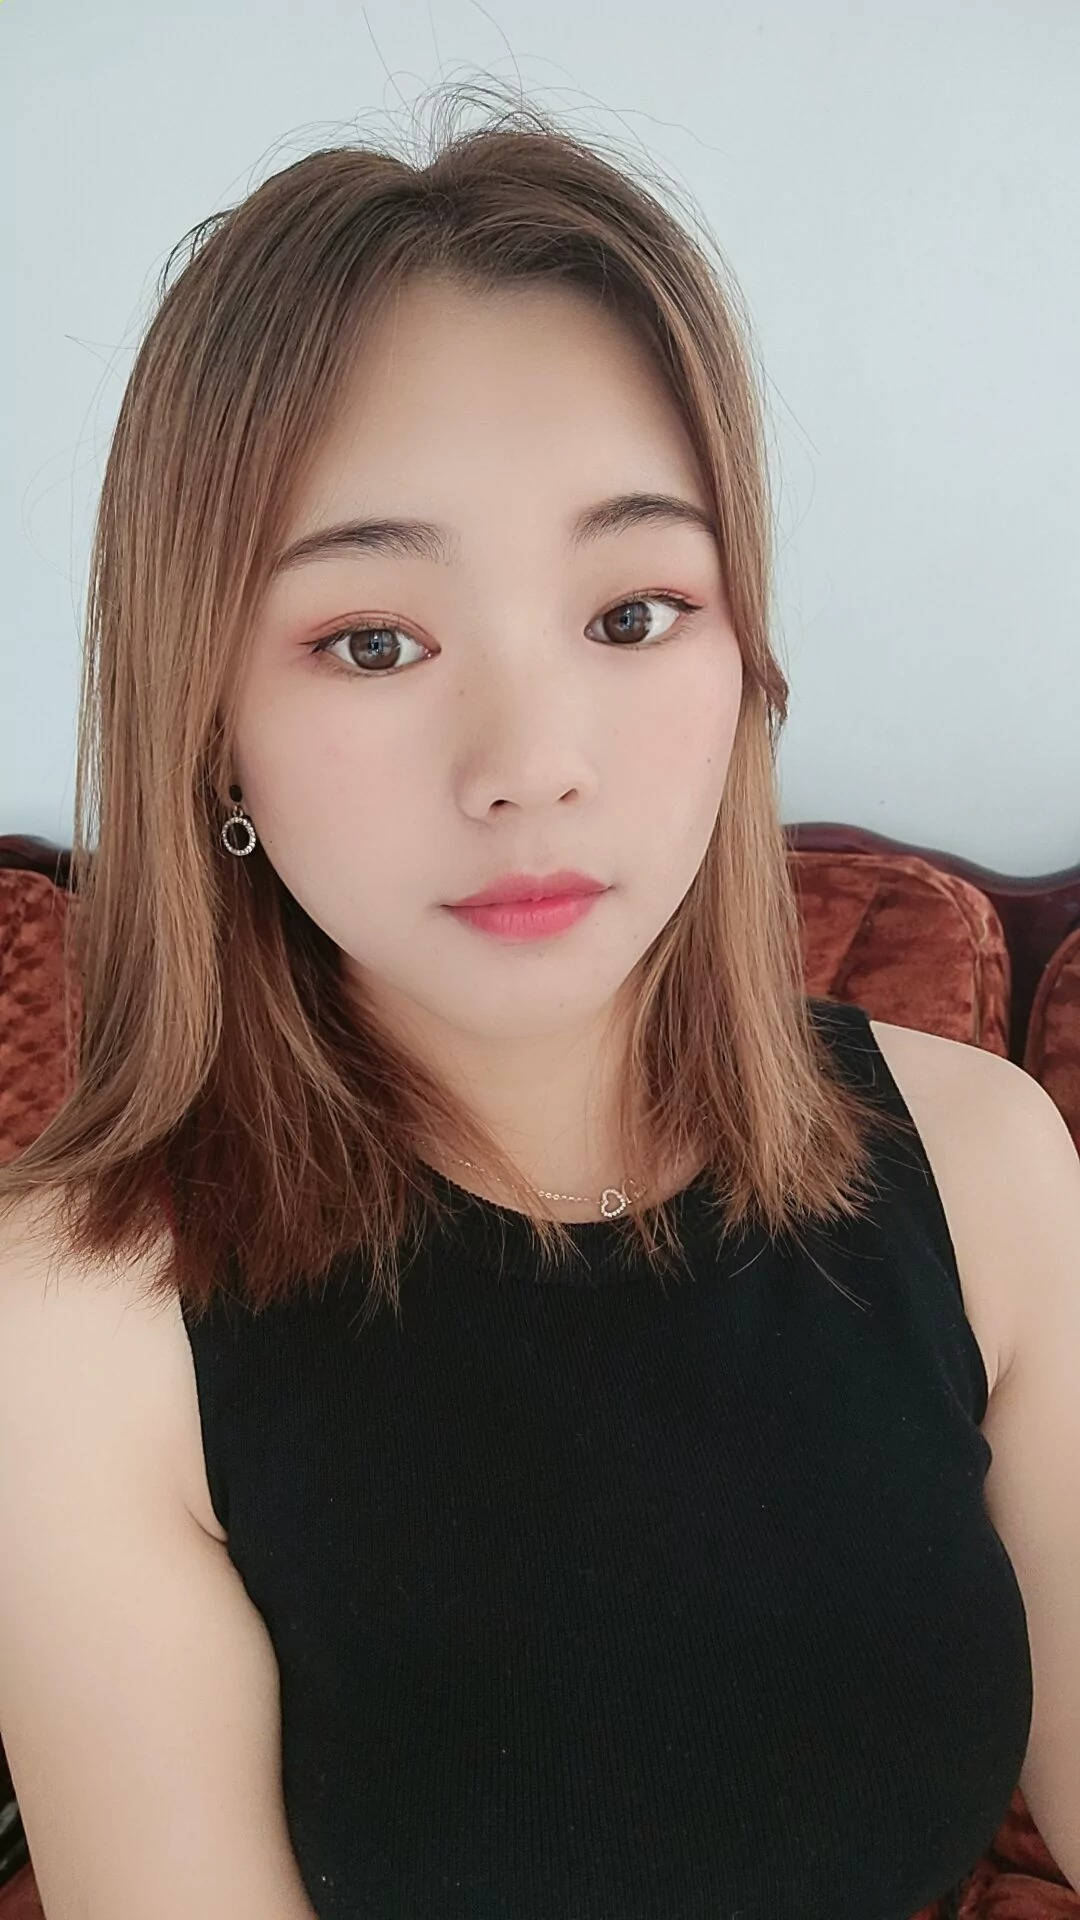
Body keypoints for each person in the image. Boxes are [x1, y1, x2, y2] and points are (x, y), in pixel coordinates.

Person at [0, 82, 1029, 1920]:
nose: (532, 762)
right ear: (207, 724)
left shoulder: (985, 1168)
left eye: (633, 614)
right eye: (373, 640)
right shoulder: (79, 1327)